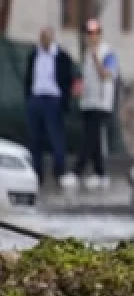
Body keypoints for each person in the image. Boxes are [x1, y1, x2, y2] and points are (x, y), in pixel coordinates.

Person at [23, 27, 78, 189]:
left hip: (53, 100)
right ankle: (37, 172)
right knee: (35, 138)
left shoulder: (61, 57)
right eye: (43, 38)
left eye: (47, 38)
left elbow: (68, 78)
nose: (45, 41)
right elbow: (29, 77)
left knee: (56, 137)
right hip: (36, 99)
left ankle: (59, 171)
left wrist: (64, 99)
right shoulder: (34, 55)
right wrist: (29, 97)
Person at [72, 18, 119, 189]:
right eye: (89, 33)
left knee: (89, 137)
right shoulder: (86, 54)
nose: (92, 36)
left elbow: (107, 74)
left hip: (101, 101)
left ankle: (77, 171)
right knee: (95, 139)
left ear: (100, 34)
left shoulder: (108, 53)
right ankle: (100, 173)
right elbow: (86, 77)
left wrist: (96, 58)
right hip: (88, 101)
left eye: (95, 33)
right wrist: (79, 89)